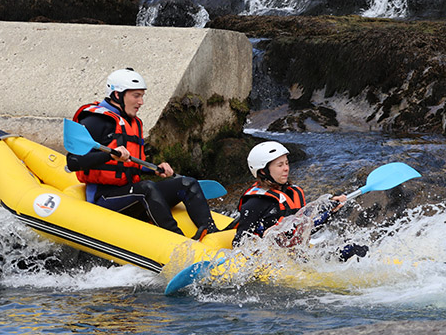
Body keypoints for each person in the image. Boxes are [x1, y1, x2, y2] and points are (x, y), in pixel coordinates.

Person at [65, 68, 218, 239]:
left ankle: (212, 234)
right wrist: (108, 155)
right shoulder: (95, 121)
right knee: (147, 188)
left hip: (129, 192)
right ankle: (179, 242)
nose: (141, 102)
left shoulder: (132, 122)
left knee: (187, 183)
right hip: (105, 198)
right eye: (136, 96)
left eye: (142, 96)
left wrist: (153, 169)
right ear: (117, 95)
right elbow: (73, 162)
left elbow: (129, 165)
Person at [234, 141, 367, 260]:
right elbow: (239, 242)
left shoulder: (293, 193)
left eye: (286, 163)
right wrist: (267, 239)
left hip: (298, 256)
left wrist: (331, 212)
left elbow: (304, 230)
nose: (286, 168)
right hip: (276, 262)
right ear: (263, 171)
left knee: (355, 250)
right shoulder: (255, 202)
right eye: (280, 165)